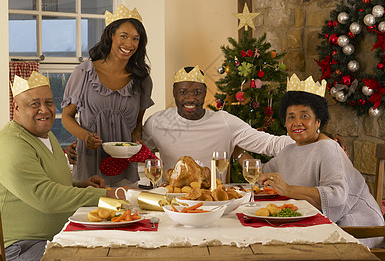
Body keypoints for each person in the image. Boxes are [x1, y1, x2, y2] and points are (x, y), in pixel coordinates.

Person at [0, 72, 125, 261]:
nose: (44, 110)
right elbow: (45, 197)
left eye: (49, 103)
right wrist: (108, 196)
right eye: (35, 104)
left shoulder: (46, 136)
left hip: (54, 237)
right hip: (19, 247)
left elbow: (47, 182)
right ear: (16, 108)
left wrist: (80, 185)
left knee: (116, 247)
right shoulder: (11, 143)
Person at [259, 74, 384, 248]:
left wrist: (288, 189)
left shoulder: (328, 148)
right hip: (319, 226)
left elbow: (336, 196)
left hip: (355, 228)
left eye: (304, 116)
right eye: (291, 117)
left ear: (318, 121)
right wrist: (238, 153)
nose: (297, 122)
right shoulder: (289, 151)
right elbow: (261, 173)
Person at [61, 4, 154, 187]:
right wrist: (84, 136)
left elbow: (137, 124)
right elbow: (66, 116)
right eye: (124, 36)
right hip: (89, 163)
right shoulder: (84, 72)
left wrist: (136, 140)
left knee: (127, 214)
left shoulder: (142, 79)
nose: (129, 44)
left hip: (124, 167)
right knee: (90, 214)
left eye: (135, 38)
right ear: (111, 35)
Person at [142, 65, 294, 173]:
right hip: (171, 202)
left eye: (197, 92)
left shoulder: (225, 122)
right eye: (183, 92)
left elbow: (269, 144)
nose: (190, 99)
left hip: (215, 202)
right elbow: (137, 153)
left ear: (205, 92)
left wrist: (311, 140)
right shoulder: (157, 122)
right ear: (174, 92)